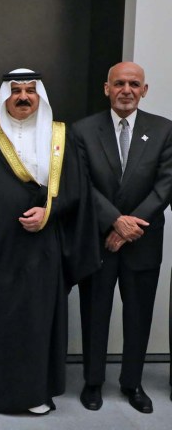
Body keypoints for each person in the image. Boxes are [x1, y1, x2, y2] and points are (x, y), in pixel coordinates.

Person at [0, 69, 99, 414]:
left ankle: (33, 393)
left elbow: (77, 191)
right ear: (5, 96)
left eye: (30, 91)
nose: (22, 97)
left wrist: (48, 212)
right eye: (16, 90)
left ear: (40, 97)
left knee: (33, 321)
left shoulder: (61, 136)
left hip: (40, 247)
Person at [73, 62, 172, 414]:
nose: (126, 89)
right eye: (119, 83)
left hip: (143, 242)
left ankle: (133, 383)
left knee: (138, 315)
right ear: (106, 88)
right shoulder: (83, 131)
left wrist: (130, 228)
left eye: (134, 84)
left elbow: (165, 186)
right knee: (95, 313)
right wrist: (115, 222)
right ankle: (93, 382)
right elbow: (81, 184)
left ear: (144, 90)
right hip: (98, 239)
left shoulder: (164, 130)